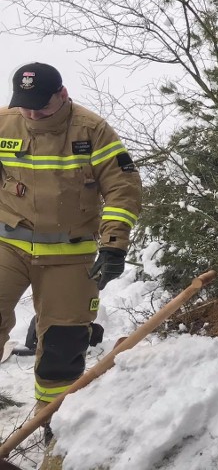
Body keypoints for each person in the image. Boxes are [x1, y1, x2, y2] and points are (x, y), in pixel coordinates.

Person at [0, 63, 142, 418]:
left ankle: (52, 419)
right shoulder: (4, 122)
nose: (33, 114)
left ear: (62, 95)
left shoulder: (92, 130)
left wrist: (113, 244)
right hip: (8, 246)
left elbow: (122, 189)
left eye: (41, 106)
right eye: (25, 105)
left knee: (64, 343)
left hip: (70, 253)